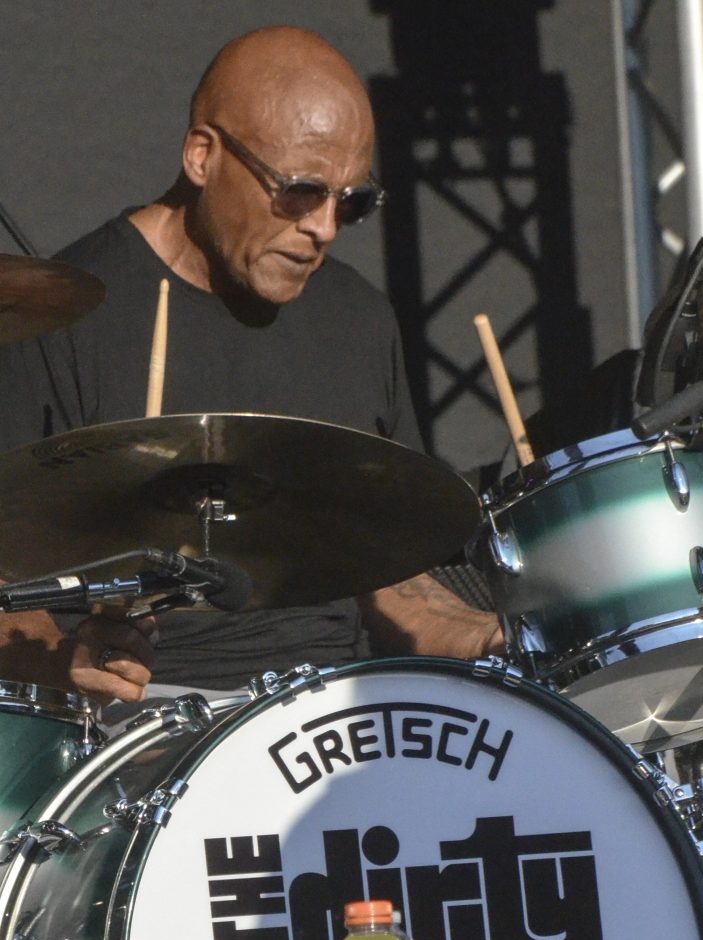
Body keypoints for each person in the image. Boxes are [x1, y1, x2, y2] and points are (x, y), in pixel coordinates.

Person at [1, 26, 502, 708]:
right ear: (202, 155)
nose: (324, 227)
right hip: (145, 723)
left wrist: (492, 636)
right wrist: (68, 661)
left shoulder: (356, 319)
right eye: (301, 191)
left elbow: (389, 581)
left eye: (352, 201)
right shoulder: (55, 317)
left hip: (340, 718)